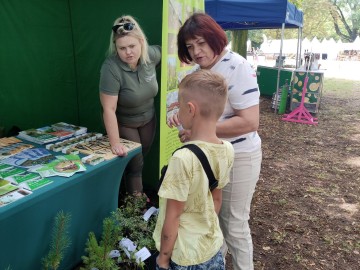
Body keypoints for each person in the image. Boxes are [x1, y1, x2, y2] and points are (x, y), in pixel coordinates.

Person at [168, 13, 262, 270]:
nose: (196, 51)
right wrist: (187, 124)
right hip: (212, 156)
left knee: (235, 225)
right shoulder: (202, 71)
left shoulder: (237, 66)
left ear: (214, 37)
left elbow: (250, 121)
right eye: (189, 46)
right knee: (214, 218)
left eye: (200, 43)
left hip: (240, 156)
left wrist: (202, 131)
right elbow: (201, 116)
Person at [153, 69, 234, 270]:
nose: (177, 113)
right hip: (211, 246)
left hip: (184, 256)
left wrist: (163, 259)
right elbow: (216, 199)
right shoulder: (227, 149)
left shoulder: (183, 158)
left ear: (190, 109)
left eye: (178, 107)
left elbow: (173, 216)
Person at [99, 15, 161, 197]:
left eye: (132, 46)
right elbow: (108, 109)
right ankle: (136, 205)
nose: (128, 52)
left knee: (140, 159)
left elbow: (170, 52)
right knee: (135, 163)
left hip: (149, 118)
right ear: (116, 48)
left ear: (141, 42)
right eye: (122, 48)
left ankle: (126, 194)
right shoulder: (110, 68)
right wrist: (115, 143)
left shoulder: (151, 55)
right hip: (125, 122)